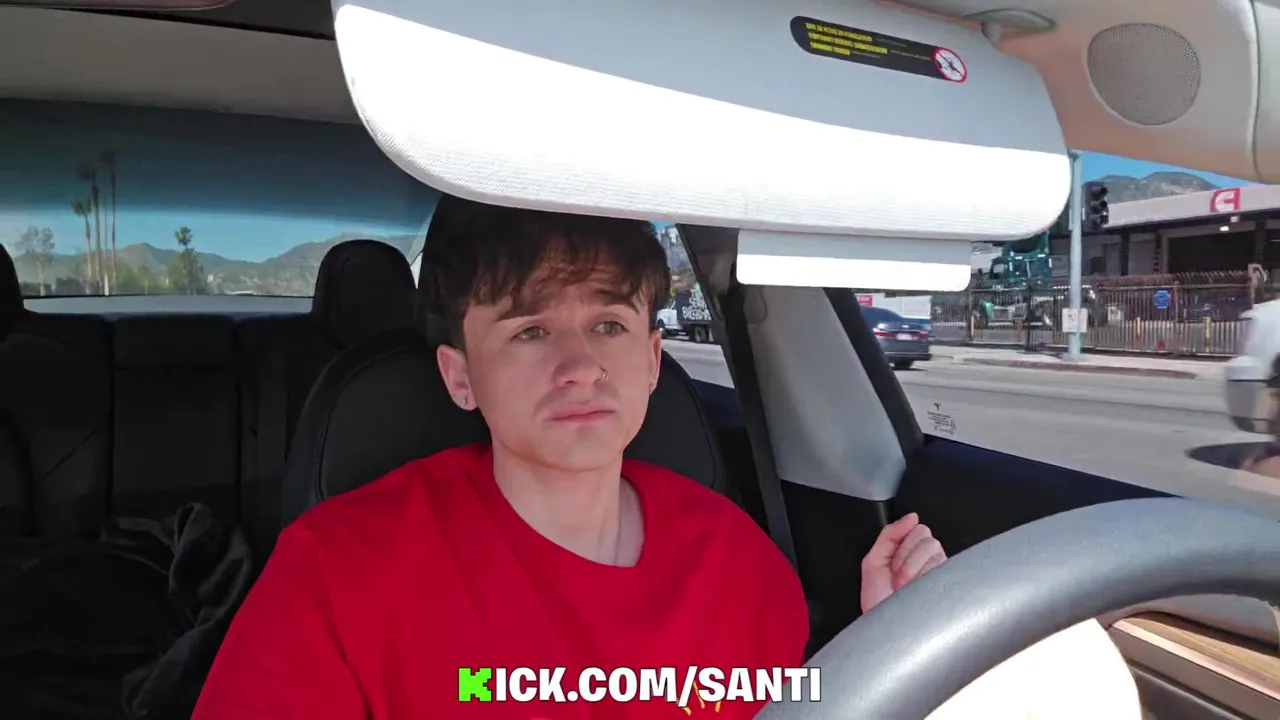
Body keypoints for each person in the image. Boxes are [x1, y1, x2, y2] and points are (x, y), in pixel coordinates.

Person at [190, 195, 948, 719]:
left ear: (652, 361)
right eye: (530, 331)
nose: (581, 366)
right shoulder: (337, 569)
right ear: (460, 377)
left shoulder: (740, 563)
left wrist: (883, 645)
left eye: (610, 326)